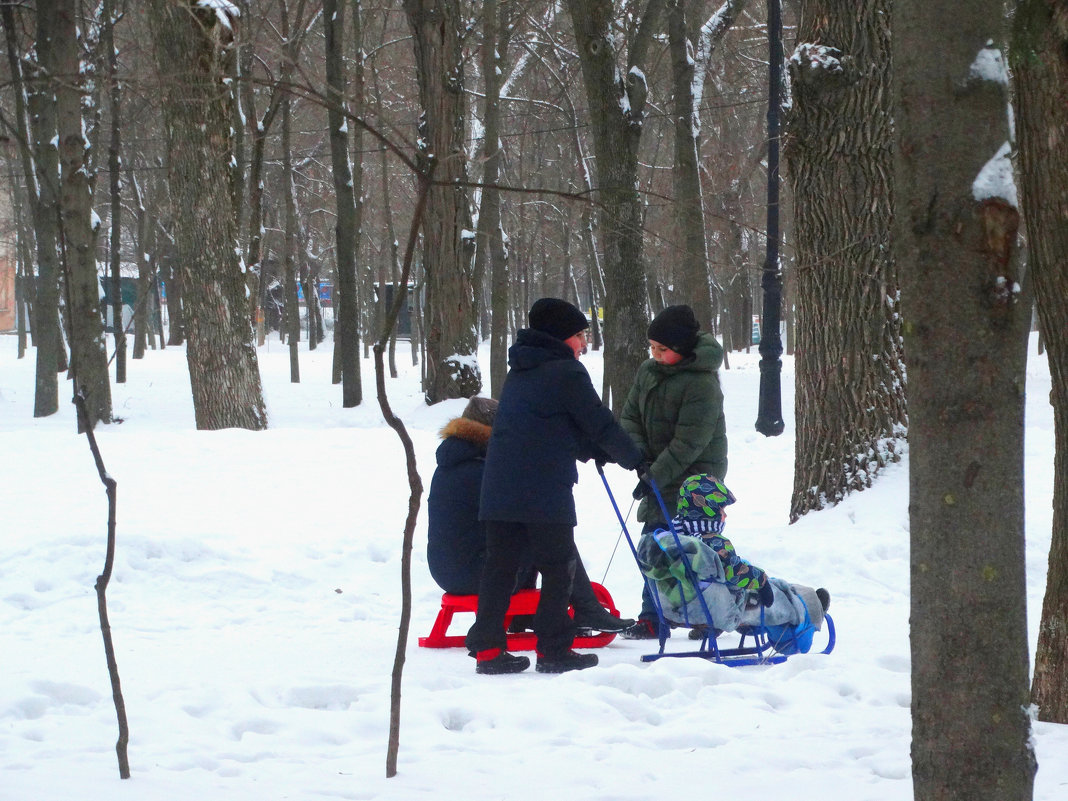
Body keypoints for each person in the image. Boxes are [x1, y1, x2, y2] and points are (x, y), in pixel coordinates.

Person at [465, 298, 646, 675]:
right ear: (563, 336)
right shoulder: (567, 372)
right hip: (543, 487)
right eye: (580, 335)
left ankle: (487, 651)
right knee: (558, 566)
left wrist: (594, 451)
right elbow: (598, 422)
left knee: (500, 567)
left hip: (500, 485)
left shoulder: (521, 370)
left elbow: (550, 426)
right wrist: (637, 461)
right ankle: (553, 649)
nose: (583, 342)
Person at [426, 395, 635, 635]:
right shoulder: (485, 470)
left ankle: (525, 615)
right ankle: (586, 608)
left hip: (444, 570)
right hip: (478, 573)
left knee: (523, 533)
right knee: (548, 530)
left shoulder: (452, 464)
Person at [619, 304, 728, 638]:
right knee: (654, 544)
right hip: (656, 471)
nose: (655, 354)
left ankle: (708, 615)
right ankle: (653, 615)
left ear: (681, 348)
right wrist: (639, 459)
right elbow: (630, 416)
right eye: (652, 347)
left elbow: (690, 442)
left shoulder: (702, 383)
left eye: (662, 349)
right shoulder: (648, 372)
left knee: (694, 549)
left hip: (695, 478)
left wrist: (655, 476)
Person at [638, 474, 830, 645]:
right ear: (708, 511)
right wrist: (760, 579)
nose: (725, 515)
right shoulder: (710, 544)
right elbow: (733, 572)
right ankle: (811, 608)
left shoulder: (667, 542)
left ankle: (760, 622)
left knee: (751, 587)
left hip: (674, 610)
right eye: (721, 510)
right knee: (777, 592)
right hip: (719, 611)